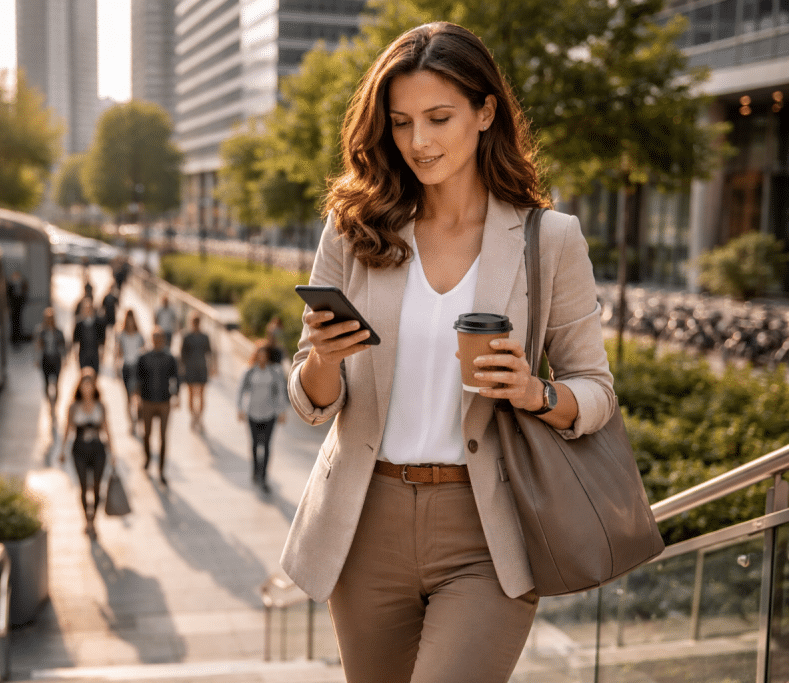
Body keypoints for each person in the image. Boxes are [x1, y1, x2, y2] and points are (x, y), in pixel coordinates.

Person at [280, 23, 616, 683]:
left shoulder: (548, 240)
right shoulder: (353, 229)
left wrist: (536, 392)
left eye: (439, 117)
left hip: (487, 531)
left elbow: (597, 390)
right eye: (401, 122)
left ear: (486, 111)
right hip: (364, 521)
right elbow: (310, 401)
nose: (418, 142)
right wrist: (322, 357)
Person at [60, 368, 113, 535]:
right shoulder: (74, 407)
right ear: (80, 387)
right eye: (84, 385)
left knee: (97, 486)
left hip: (98, 449)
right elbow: (67, 429)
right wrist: (62, 450)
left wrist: (113, 452)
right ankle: (86, 519)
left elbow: (107, 429)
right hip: (79, 449)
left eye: (90, 385)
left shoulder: (101, 406)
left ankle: (93, 518)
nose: (87, 388)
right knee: (83, 486)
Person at [237, 340, 287, 493]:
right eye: (260, 354)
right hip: (252, 413)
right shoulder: (250, 371)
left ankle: (264, 477)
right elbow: (241, 390)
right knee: (254, 444)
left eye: (265, 355)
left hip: (269, 413)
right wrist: (240, 409)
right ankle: (255, 470)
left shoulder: (275, 372)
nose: (262, 357)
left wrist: (281, 411)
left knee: (266, 445)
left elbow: (280, 392)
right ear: (256, 356)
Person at [136, 327, 181, 485]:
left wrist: (176, 395)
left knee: (163, 436)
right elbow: (138, 377)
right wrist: (137, 397)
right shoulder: (144, 357)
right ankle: (148, 458)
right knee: (146, 433)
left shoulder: (170, 358)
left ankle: (162, 469)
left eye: (160, 339)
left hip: (164, 401)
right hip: (147, 400)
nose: (157, 342)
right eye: (155, 339)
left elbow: (176, 377)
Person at [180, 313, 216, 432]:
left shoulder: (204, 336)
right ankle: (193, 417)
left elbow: (209, 352)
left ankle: (199, 418)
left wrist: (212, 367)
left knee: (201, 394)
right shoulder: (186, 336)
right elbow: (182, 354)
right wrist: (182, 368)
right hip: (190, 368)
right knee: (190, 394)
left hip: (201, 367)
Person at [115, 310, 145, 433]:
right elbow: (118, 353)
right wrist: (116, 367)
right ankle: (131, 423)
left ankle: (138, 418)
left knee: (138, 396)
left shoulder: (139, 335)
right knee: (127, 397)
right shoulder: (121, 335)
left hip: (138, 367)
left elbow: (144, 352)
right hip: (127, 367)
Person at [34, 307, 66, 413]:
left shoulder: (58, 332)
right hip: (46, 359)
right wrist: (37, 359)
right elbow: (37, 346)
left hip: (56, 359)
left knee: (57, 383)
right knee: (47, 383)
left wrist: (65, 358)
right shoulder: (41, 331)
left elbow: (63, 346)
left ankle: (55, 403)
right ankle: (48, 402)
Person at [72, 297, 104, 375]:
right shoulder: (79, 323)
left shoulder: (98, 322)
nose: (88, 310)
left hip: (94, 353)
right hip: (83, 354)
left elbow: (101, 339)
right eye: (85, 308)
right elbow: (75, 340)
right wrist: (75, 354)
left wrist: (102, 353)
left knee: (95, 374)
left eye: (89, 308)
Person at [6, 270, 28, 346]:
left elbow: (24, 291)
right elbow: (8, 296)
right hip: (13, 306)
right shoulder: (10, 285)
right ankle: (14, 339)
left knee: (19, 322)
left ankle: (19, 337)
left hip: (19, 305)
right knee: (14, 323)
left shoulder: (22, 283)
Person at [100, 286, 120, 355]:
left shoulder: (114, 297)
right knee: (106, 332)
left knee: (112, 332)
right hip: (107, 317)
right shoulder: (106, 297)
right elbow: (102, 307)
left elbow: (118, 305)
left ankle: (111, 344)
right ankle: (106, 344)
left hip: (111, 317)